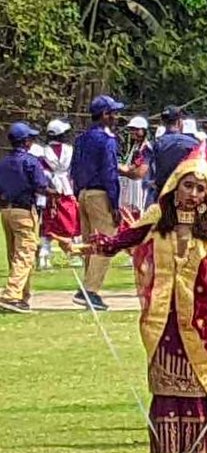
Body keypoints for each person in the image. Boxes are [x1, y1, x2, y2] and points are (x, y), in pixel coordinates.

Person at [74, 151, 207, 453]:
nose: (193, 193)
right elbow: (123, 240)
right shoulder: (157, 219)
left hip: (201, 317)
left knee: (200, 381)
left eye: (200, 188)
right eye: (188, 186)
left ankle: (198, 451)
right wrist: (89, 246)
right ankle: (176, 450)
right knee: (168, 380)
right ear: (174, 186)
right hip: (164, 317)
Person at [71, 94, 124, 309]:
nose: (116, 117)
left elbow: (74, 168)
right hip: (100, 193)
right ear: (105, 115)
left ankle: (87, 288)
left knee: (89, 243)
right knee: (106, 242)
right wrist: (114, 203)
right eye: (113, 113)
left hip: (83, 192)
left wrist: (77, 193)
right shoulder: (106, 140)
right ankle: (90, 290)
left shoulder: (81, 139)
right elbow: (109, 173)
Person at [0, 122, 51, 313]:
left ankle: (22, 296)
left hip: (6, 211)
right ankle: (11, 295)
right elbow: (40, 186)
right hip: (24, 210)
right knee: (26, 253)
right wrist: (55, 194)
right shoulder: (30, 161)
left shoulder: (3, 162)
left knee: (14, 254)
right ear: (26, 141)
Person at [33, 119, 78, 270]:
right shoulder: (70, 150)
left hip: (50, 191)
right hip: (63, 190)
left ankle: (44, 256)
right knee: (69, 222)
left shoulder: (42, 151)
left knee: (49, 223)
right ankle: (73, 255)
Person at [149, 107, 201, 197]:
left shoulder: (158, 144)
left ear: (163, 123)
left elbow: (153, 170)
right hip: (185, 194)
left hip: (162, 193)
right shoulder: (193, 143)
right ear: (179, 122)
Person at [119, 116, 152, 216]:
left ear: (144, 131)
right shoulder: (136, 146)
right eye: (131, 129)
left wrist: (122, 170)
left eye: (136, 129)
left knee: (137, 211)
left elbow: (140, 172)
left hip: (140, 185)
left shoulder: (146, 148)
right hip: (131, 185)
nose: (133, 132)